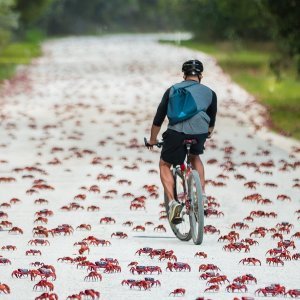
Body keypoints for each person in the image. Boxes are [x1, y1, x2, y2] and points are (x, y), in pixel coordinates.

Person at [147, 59, 217, 224]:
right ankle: (203, 195)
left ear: (184, 75)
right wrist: (206, 134)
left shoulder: (172, 90)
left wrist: (152, 140)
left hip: (176, 133)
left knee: (165, 163)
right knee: (195, 156)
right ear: (200, 75)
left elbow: (159, 118)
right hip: (199, 133)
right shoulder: (210, 93)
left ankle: (172, 203)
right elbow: (211, 120)